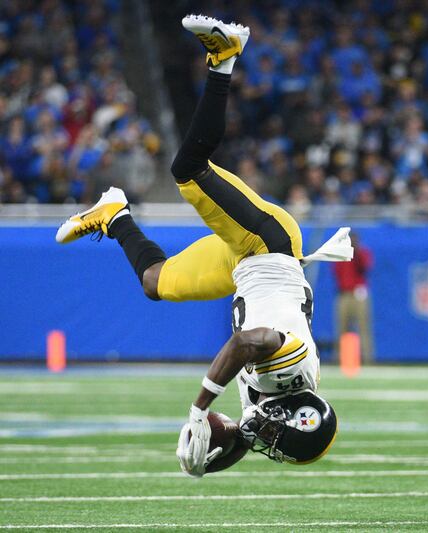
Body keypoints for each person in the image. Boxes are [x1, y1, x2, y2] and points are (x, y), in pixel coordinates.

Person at [55, 15, 353, 476]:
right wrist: (198, 409)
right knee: (188, 167)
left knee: (156, 283)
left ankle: (114, 215)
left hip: (242, 267)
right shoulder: (293, 374)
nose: (266, 440)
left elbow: (243, 432)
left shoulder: (272, 404)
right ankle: (225, 58)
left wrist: (202, 464)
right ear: (289, 412)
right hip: (266, 244)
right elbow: (247, 341)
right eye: (276, 437)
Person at [331, 231, 375, 364]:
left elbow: (365, 267)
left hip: (358, 294)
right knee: (341, 327)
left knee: (363, 327)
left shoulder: (363, 253)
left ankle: (367, 358)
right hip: (344, 294)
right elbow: (336, 273)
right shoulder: (340, 255)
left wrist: (356, 252)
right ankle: (340, 358)